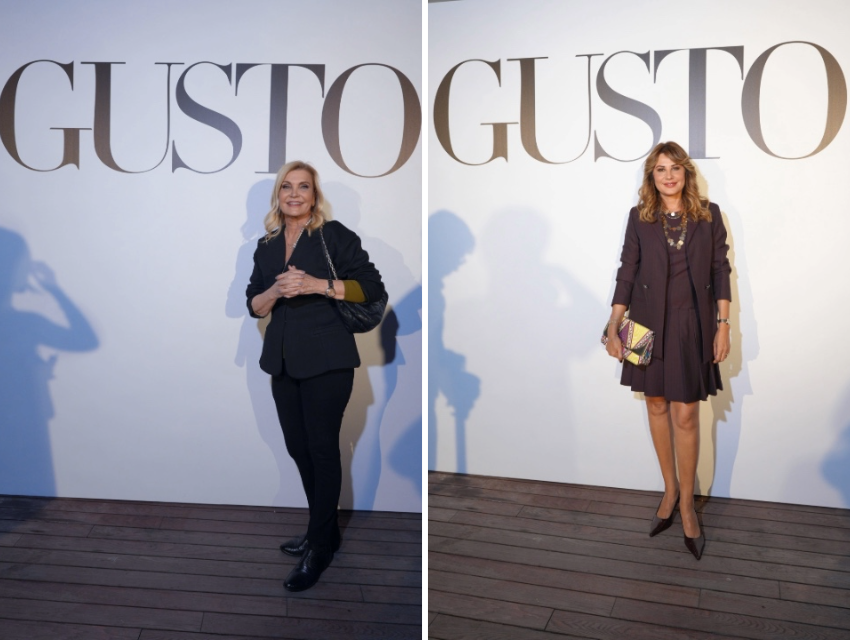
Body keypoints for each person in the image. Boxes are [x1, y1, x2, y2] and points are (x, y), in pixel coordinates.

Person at [246, 160, 385, 591]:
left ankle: (320, 548)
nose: (294, 194)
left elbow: (372, 288)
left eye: (303, 187)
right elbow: (253, 304)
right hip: (282, 362)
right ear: (278, 195)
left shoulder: (334, 236)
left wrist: (317, 285)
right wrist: (274, 290)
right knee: (299, 448)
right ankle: (322, 530)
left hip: (328, 362)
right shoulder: (266, 245)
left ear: (314, 195)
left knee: (322, 450)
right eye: (286, 186)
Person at [606, 141, 731, 560]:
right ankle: (670, 490)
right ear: (651, 177)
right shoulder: (639, 217)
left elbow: (720, 269)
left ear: (686, 173)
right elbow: (627, 270)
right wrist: (614, 324)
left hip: (692, 323)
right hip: (645, 323)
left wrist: (723, 325)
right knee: (656, 405)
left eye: (675, 168)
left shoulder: (708, 214)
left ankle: (688, 505)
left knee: (686, 413)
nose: (669, 176)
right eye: (660, 169)